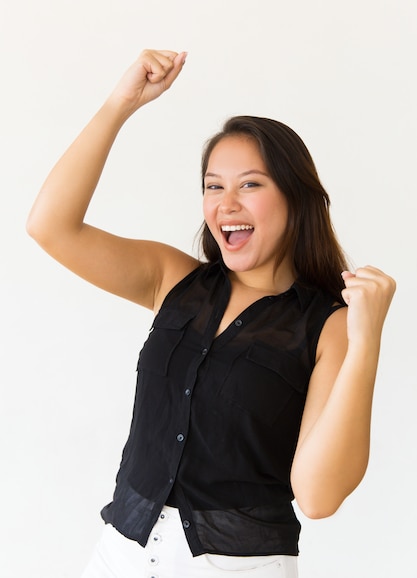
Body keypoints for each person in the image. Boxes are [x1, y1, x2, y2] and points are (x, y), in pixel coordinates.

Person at [27, 49, 396, 578]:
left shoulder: (327, 327)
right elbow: (50, 226)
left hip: (237, 568)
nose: (226, 203)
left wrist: (367, 342)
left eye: (249, 184)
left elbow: (317, 497)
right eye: (213, 186)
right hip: (119, 555)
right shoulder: (174, 279)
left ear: (296, 198)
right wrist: (120, 104)